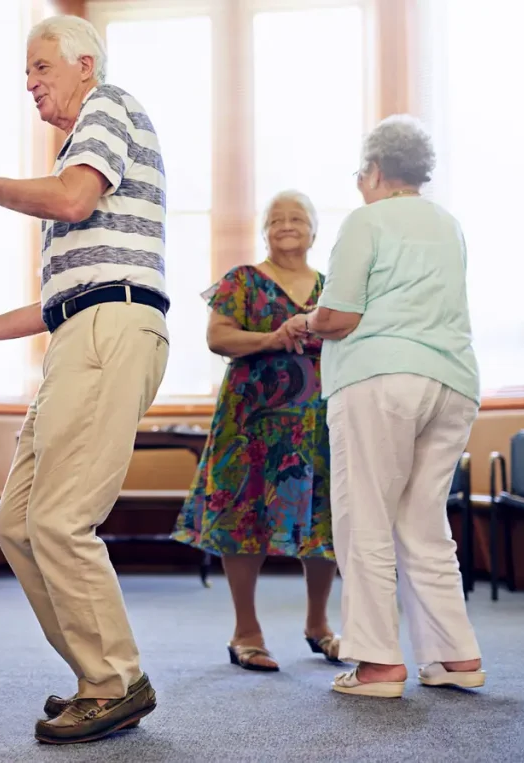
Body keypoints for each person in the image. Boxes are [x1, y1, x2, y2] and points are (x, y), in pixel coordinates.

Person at [0, 15, 167, 745]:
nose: (30, 83)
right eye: (26, 73)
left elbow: (70, 199)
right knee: (17, 521)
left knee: (58, 519)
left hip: (110, 332)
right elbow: (62, 299)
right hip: (83, 331)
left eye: (40, 68)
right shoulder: (79, 148)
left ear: (86, 64)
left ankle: (116, 679)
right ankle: (99, 676)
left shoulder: (108, 108)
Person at [285, 114, 485, 699]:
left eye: (359, 174)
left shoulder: (367, 221)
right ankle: (455, 657)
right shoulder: (448, 225)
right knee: (424, 523)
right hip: (453, 382)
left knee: (364, 519)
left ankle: (376, 665)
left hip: (381, 380)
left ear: (374, 170)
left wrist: (305, 320)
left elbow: (341, 315)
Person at [172, 191, 341, 672]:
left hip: (316, 421)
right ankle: (246, 630)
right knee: (243, 516)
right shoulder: (243, 281)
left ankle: (319, 625)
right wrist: (271, 338)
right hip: (250, 422)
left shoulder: (333, 287)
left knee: (320, 518)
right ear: (263, 229)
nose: (287, 225)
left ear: (313, 229)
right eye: (276, 219)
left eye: (298, 218)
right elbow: (217, 336)